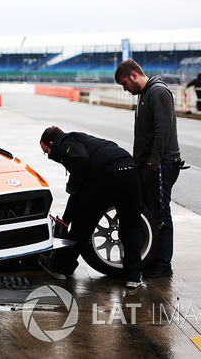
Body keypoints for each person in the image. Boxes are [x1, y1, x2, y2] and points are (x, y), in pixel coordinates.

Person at [37, 126, 143, 288]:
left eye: (46, 151)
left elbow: (80, 164)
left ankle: (60, 267)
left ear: (52, 143)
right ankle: (133, 277)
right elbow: (81, 186)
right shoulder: (87, 141)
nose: (49, 155)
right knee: (131, 225)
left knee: (82, 225)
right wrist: (66, 218)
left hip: (107, 175)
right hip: (130, 170)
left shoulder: (65, 142)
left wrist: (71, 187)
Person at [115, 59, 183, 278]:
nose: (125, 89)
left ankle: (164, 265)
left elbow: (163, 130)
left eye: (125, 84)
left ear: (134, 75)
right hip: (147, 164)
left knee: (161, 215)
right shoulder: (144, 95)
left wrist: (154, 159)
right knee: (151, 214)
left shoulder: (158, 92)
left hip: (161, 164)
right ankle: (153, 259)